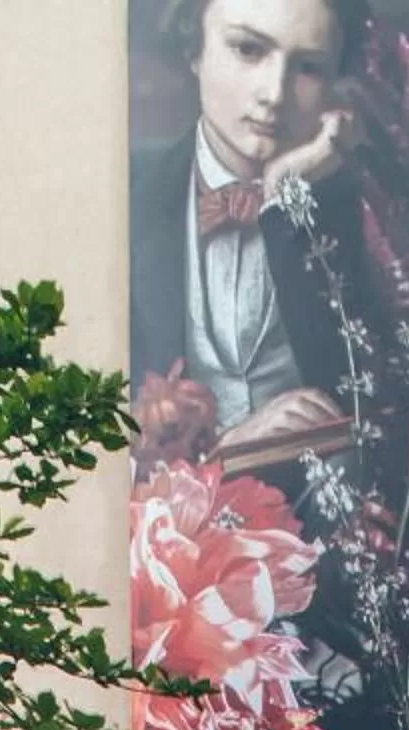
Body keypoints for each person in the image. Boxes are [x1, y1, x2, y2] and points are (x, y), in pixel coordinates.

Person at [131, 0, 370, 468]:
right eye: (247, 49)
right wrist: (230, 450)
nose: (274, 93)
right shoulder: (128, 196)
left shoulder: (365, 214)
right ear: (194, 47)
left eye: (308, 68)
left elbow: (377, 416)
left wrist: (281, 197)